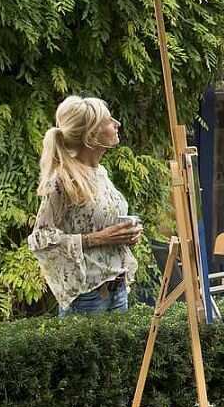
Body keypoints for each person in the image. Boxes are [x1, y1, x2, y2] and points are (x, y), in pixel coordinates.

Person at [28, 95, 142, 317]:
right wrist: (97, 239)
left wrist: (127, 236)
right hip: (87, 297)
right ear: (91, 135)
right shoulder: (62, 180)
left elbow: (103, 227)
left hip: (118, 288)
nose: (117, 124)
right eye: (109, 121)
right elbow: (39, 238)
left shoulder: (101, 173)